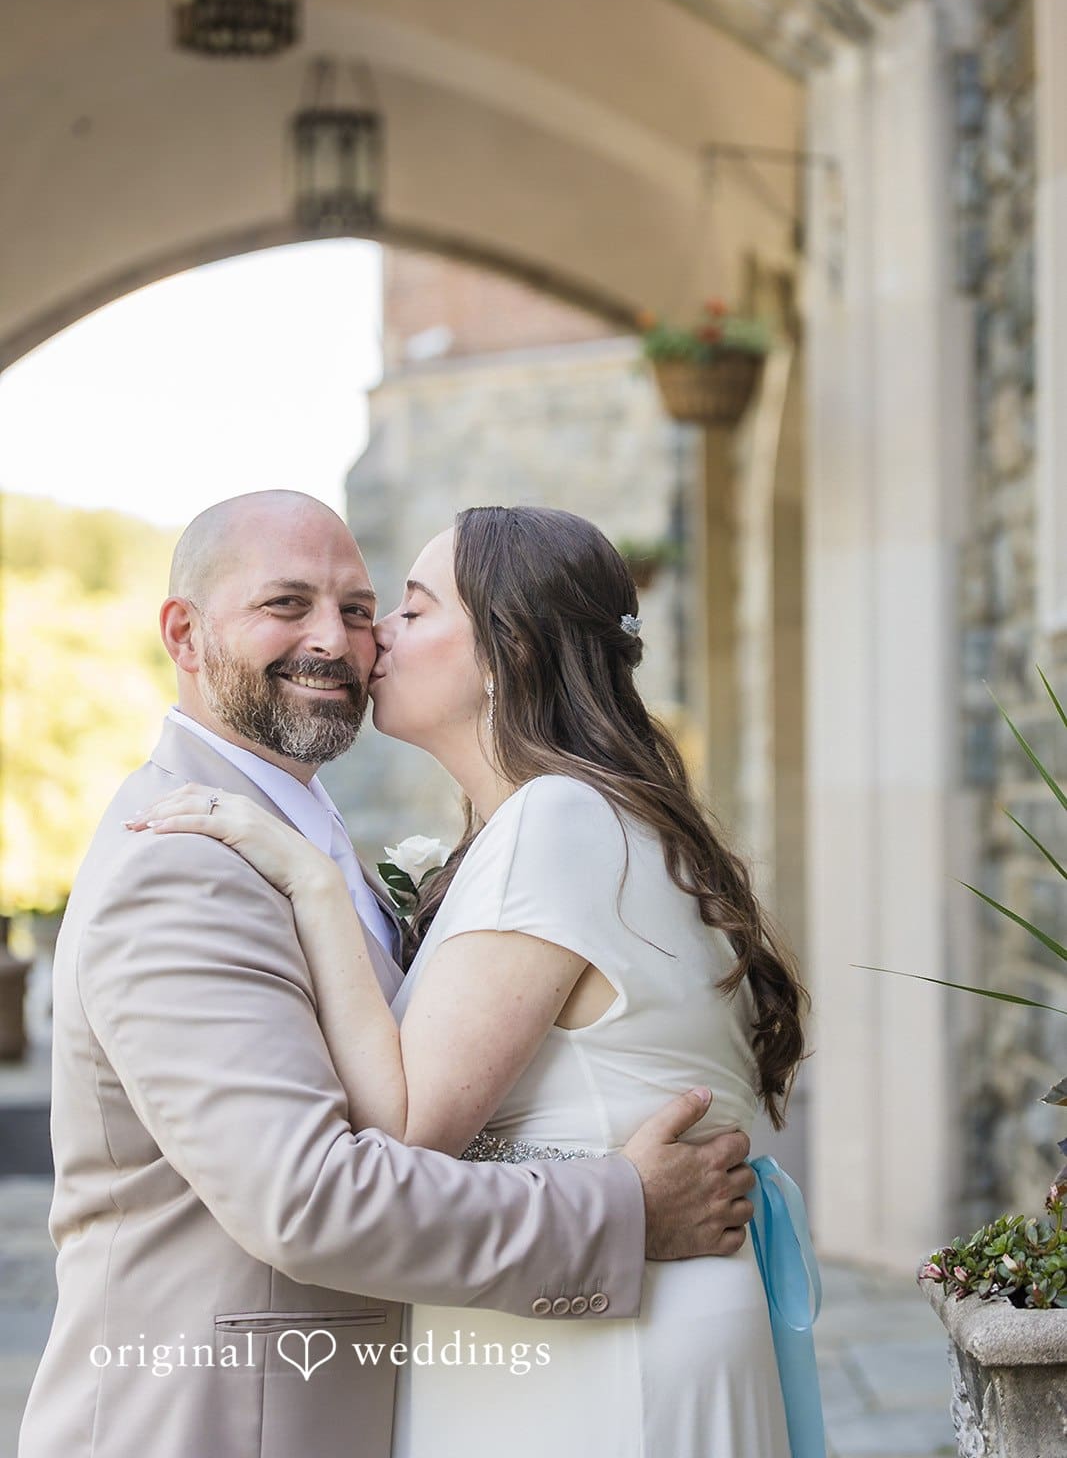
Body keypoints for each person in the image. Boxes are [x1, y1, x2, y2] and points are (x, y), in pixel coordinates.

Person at [18, 490, 760, 1458]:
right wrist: (622, 1207)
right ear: (185, 635)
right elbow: (308, 1200)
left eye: (364, 609)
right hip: (221, 1421)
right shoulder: (182, 859)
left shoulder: (343, 839)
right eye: (286, 604)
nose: (337, 640)